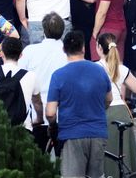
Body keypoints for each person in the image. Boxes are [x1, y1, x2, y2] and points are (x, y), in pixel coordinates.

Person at [45, 30, 112, 178]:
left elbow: (50, 112)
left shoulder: (59, 75)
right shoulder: (99, 71)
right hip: (97, 132)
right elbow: (109, 99)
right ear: (83, 48)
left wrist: (52, 125)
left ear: (64, 49)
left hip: (71, 134)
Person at [18, 12, 68, 152]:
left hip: (36, 116)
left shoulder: (29, 51)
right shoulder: (68, 53)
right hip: (61, 115)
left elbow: (19, 77)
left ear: (44, 30)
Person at [95, 33, 136, 177]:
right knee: (125, 153)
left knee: (107, 153)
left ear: (99, 48)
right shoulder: (121, 68)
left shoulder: (94, 68)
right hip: (121, 111)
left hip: (104, 111)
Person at [0, 36, 37, 130]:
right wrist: (39, 118)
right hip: (22, 130)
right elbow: (37, 103)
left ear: (2, 53)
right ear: (21, 55)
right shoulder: (31, 75)